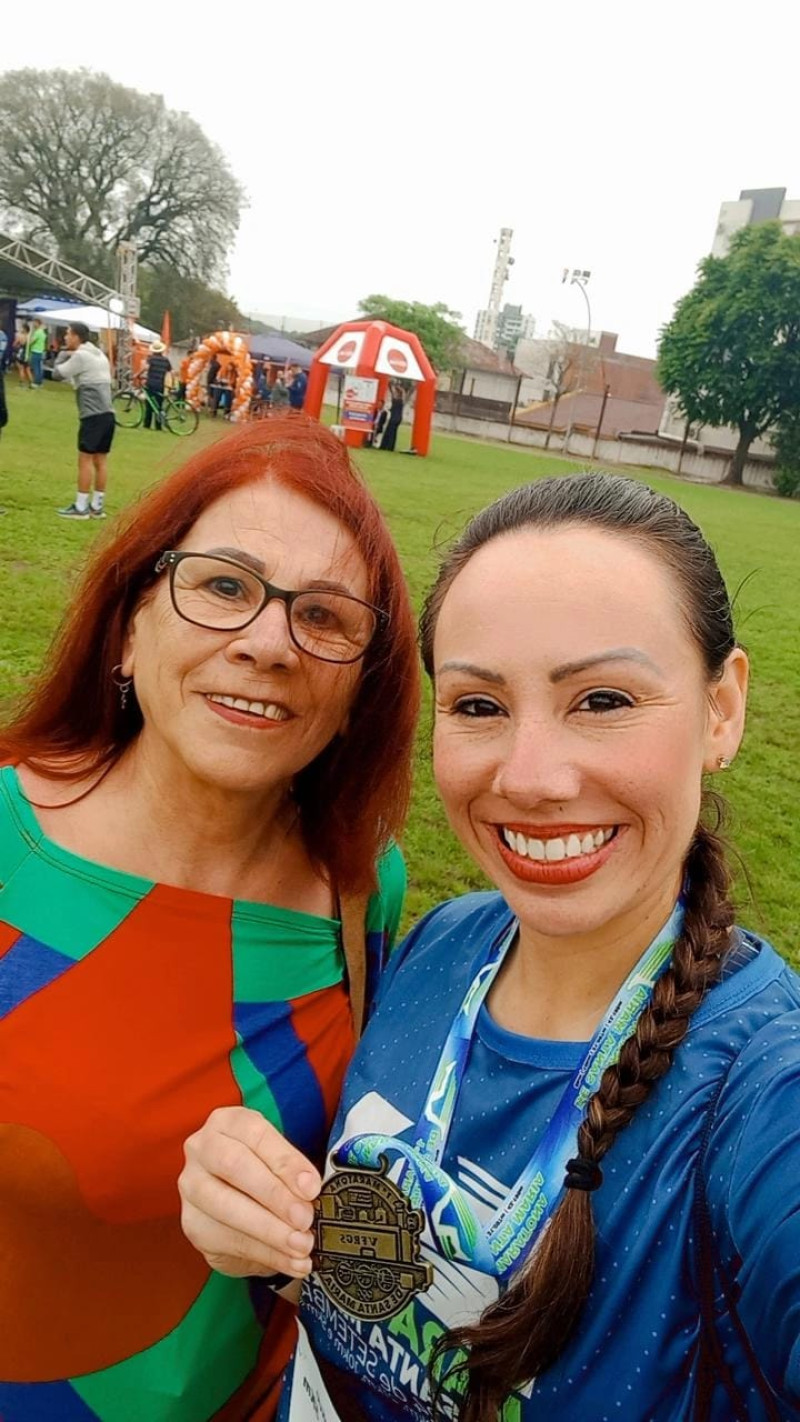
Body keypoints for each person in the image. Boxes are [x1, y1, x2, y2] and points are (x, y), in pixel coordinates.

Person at [180, 472, 800, 1422]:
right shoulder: (442, 945)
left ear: (722, 709)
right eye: (478, 706)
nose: (531, 777)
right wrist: (260, 1230)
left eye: (602, 699)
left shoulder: (760, 1092)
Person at [0, 416, 420, 1420]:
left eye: (323, 617)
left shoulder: (363, 884)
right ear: (129, 624)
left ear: (359, 689)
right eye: (224, 586)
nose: (269, 644)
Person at [52, 321, 115, 520]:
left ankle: (80, 507)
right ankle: (97, 506)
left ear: (77, 336)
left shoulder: (80, 356)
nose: (65, 337)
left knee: (85, 459)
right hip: (108, 414)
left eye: (68, 334)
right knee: (101, 461)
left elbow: (57, 374)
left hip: (92, 416)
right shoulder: (99, 354)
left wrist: (63, 354)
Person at [143, 338, 173, 429]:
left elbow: (146, 368)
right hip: (160, 385)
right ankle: (158, 425)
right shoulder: (166, 360)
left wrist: (137, 375)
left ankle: (147, 424)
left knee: (149, 404)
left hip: (151, 384)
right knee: (159, 405)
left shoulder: (151, 359)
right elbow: (170, 371)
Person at [379, 382, 408, 452]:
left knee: (389, 432)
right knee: (393, 433)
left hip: (394, 418)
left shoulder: (397, 400)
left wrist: (390, 386)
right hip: (398, 418)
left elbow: (392, 394)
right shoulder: (401, 401)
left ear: (398, 393)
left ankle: (386, 446)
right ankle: (390, 447)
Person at [28, 317, 47, 388]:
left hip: (35, 351)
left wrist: (31, 334)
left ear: (38, 323)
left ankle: (35, 383)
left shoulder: (37, 332)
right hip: (41, 352)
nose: (33, 324)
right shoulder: (43, 332)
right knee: (39, 368)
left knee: (35, 368)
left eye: (34, 323)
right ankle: (40, 382)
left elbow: (31, 342)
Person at [15, 322, 32, 386]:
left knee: (21, 368)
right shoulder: (29, 337)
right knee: (27, 369)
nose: (21, 329)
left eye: (22, 328)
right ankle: (31, 382)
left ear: (25, 329)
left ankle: (22, 382)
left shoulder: (21, 336)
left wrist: (17, 344)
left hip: (22, 353)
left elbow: (15, 344)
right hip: (27, 354)